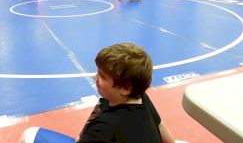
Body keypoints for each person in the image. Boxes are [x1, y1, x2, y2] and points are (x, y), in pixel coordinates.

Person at [19, 43, 175, 143]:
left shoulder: (106, 127)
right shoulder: (140, 97)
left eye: (102, 76)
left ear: (125, 88)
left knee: (29, 135)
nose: (95, 77)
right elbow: (160, 126)